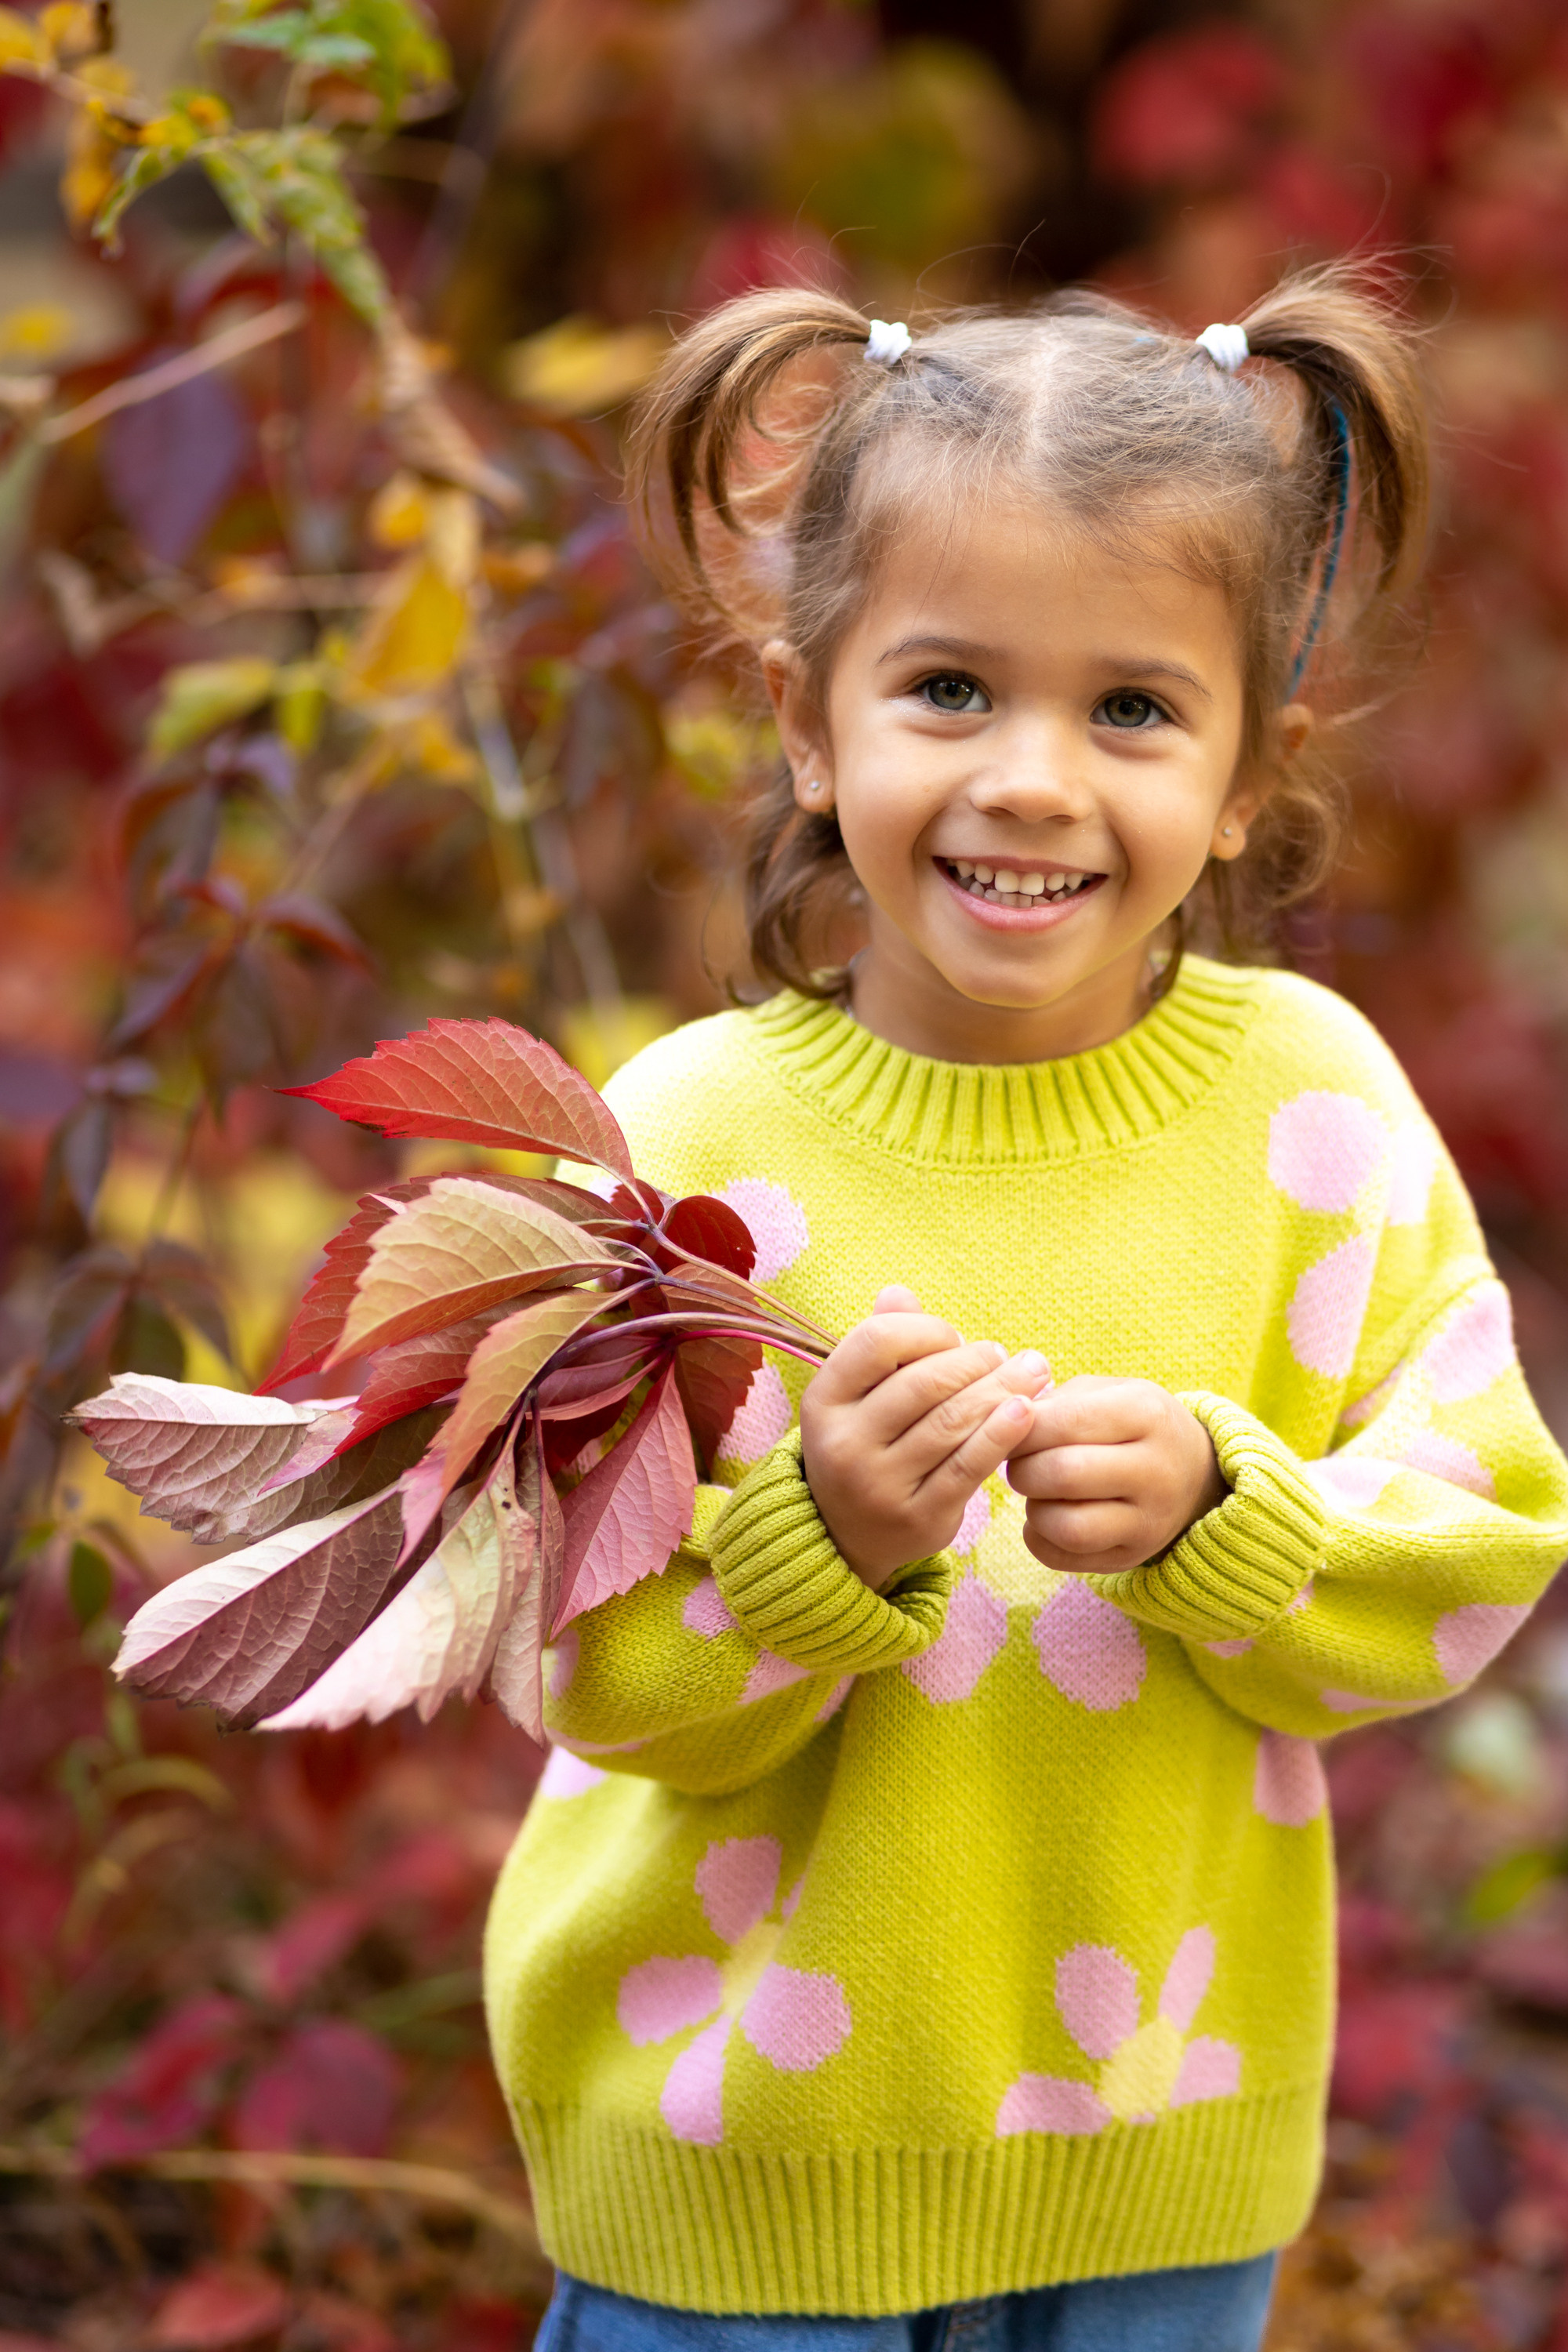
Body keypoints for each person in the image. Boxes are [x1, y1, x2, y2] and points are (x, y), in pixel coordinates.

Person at [484, 274, 1568, 2352]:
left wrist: (1226, 1520)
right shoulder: (684, 1151)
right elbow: (579, 1664)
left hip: (1158, 2147)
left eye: (1135, 710)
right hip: (738, 2157)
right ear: (808, 719)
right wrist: (822, 1545)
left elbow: (1478, 1538)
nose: (1038, 782)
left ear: (1256, 770)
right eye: (952, 689)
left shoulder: (1312, 1113)